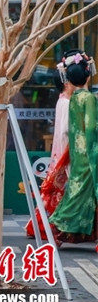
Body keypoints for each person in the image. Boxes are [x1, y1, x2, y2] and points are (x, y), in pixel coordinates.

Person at [49, 50, 98, 244]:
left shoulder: (73, 99)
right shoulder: (89, 98)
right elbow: (92, 127)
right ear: (88, 75)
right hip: (89, 151)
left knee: (78, 190)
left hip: (77, 152)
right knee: (83, 192)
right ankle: (59, 221)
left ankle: (63, 228)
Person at [26, 73, 73, 239]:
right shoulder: (67, 103)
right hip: (66, 151)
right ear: (67, 83)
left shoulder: (62, 100)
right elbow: (66, 131)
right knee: (62, 191)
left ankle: (43, 224)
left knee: (55, 191)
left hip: (60, 150)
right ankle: (53, 227)